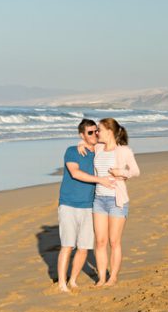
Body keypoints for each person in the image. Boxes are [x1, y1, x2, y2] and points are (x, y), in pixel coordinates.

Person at [79, 117, 140, 287]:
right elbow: (84, 143)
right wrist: (80, 144)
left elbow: (135, 171)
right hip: (98, 200)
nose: (97, 132)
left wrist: (121, 172)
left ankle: (112, 277)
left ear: (110, 132)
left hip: (116, 200)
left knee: (114, 241)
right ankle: (102, 278)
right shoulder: (98, 147)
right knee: (100, 242)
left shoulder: (124, 151)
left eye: (99, 129)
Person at [57, 119, 115, 292]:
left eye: (96, 131)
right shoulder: (72, 151)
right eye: (89, 132)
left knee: (83, 247)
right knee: (67, 245)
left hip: (90, 206)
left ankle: (73, 280)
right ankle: (61, 283)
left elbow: (114, 143)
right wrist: (100, 180)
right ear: (81, 134)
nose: (94, 134)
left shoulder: (99, 150)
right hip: (68, 204)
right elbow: (75, 173)